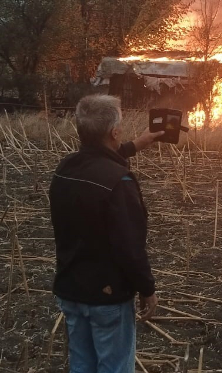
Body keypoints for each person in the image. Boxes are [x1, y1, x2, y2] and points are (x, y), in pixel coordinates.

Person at [50, 94, 164, 373]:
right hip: (107, 296)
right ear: (114, 132)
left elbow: (95, 162)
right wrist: (147, 289)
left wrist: (136, 144)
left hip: (71, 289)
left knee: (82, 365)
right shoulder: (119, 183)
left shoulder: (65, 169)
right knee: (114, 367)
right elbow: (130, 248)